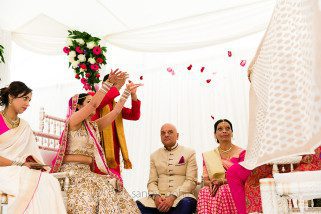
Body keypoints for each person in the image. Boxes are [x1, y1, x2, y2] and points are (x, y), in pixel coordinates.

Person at [50, 70, 141, 213]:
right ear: (79, 106)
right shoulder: (73, 121)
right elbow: (93, 105)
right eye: (88, 101)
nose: (93, 104)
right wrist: (109, 84)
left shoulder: (93, 126)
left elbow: (116, 112)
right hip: (71, 173)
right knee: (100, 188)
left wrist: (127, 92)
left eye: (91, 101)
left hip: (88, 173)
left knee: (116, 189)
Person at [0, 81, 66, 213]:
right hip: (4, 168)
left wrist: (34, 165)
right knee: (25, 181)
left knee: (48, 180)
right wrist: (19, 164)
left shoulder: (24, 126)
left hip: (20, 168)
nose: (28, 104)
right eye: (25, 98)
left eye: (29, 100)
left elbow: (31, 154)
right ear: (11, 97)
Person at [137, 123, 198, 214]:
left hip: (181, 198)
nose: (166, 135)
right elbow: (152, 182)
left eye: (170, 132)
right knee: (136, 206)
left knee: (187, 203)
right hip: (158, 201)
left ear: (177, 136)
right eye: (163, 133)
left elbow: (191, 181)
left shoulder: (189, 152)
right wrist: (157, 197)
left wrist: (173, 197)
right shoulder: (154, 155)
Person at [92, 71, 141, 178]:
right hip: (99, 147)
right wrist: (118, 86)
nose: (113, 87)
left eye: (114, 85)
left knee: (115, 182)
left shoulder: (116, 105)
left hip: (114, 151)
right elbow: (99, 103)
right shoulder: (93, 99)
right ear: (104, 85)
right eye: (111, 84)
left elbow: (134, 115)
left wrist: (133, 94)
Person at [197, 119, 245, 214]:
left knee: (224, 189)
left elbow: (243, 178)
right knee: (204, 191)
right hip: (216, 186)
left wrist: (222, 181)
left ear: (232, 133)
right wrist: (211, 183)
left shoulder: (242, 153)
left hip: (236, 186)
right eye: (220, 129)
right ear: (215, 134)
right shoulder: (209, 155)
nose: (224, 131)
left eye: (228, 128)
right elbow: (206, 179)